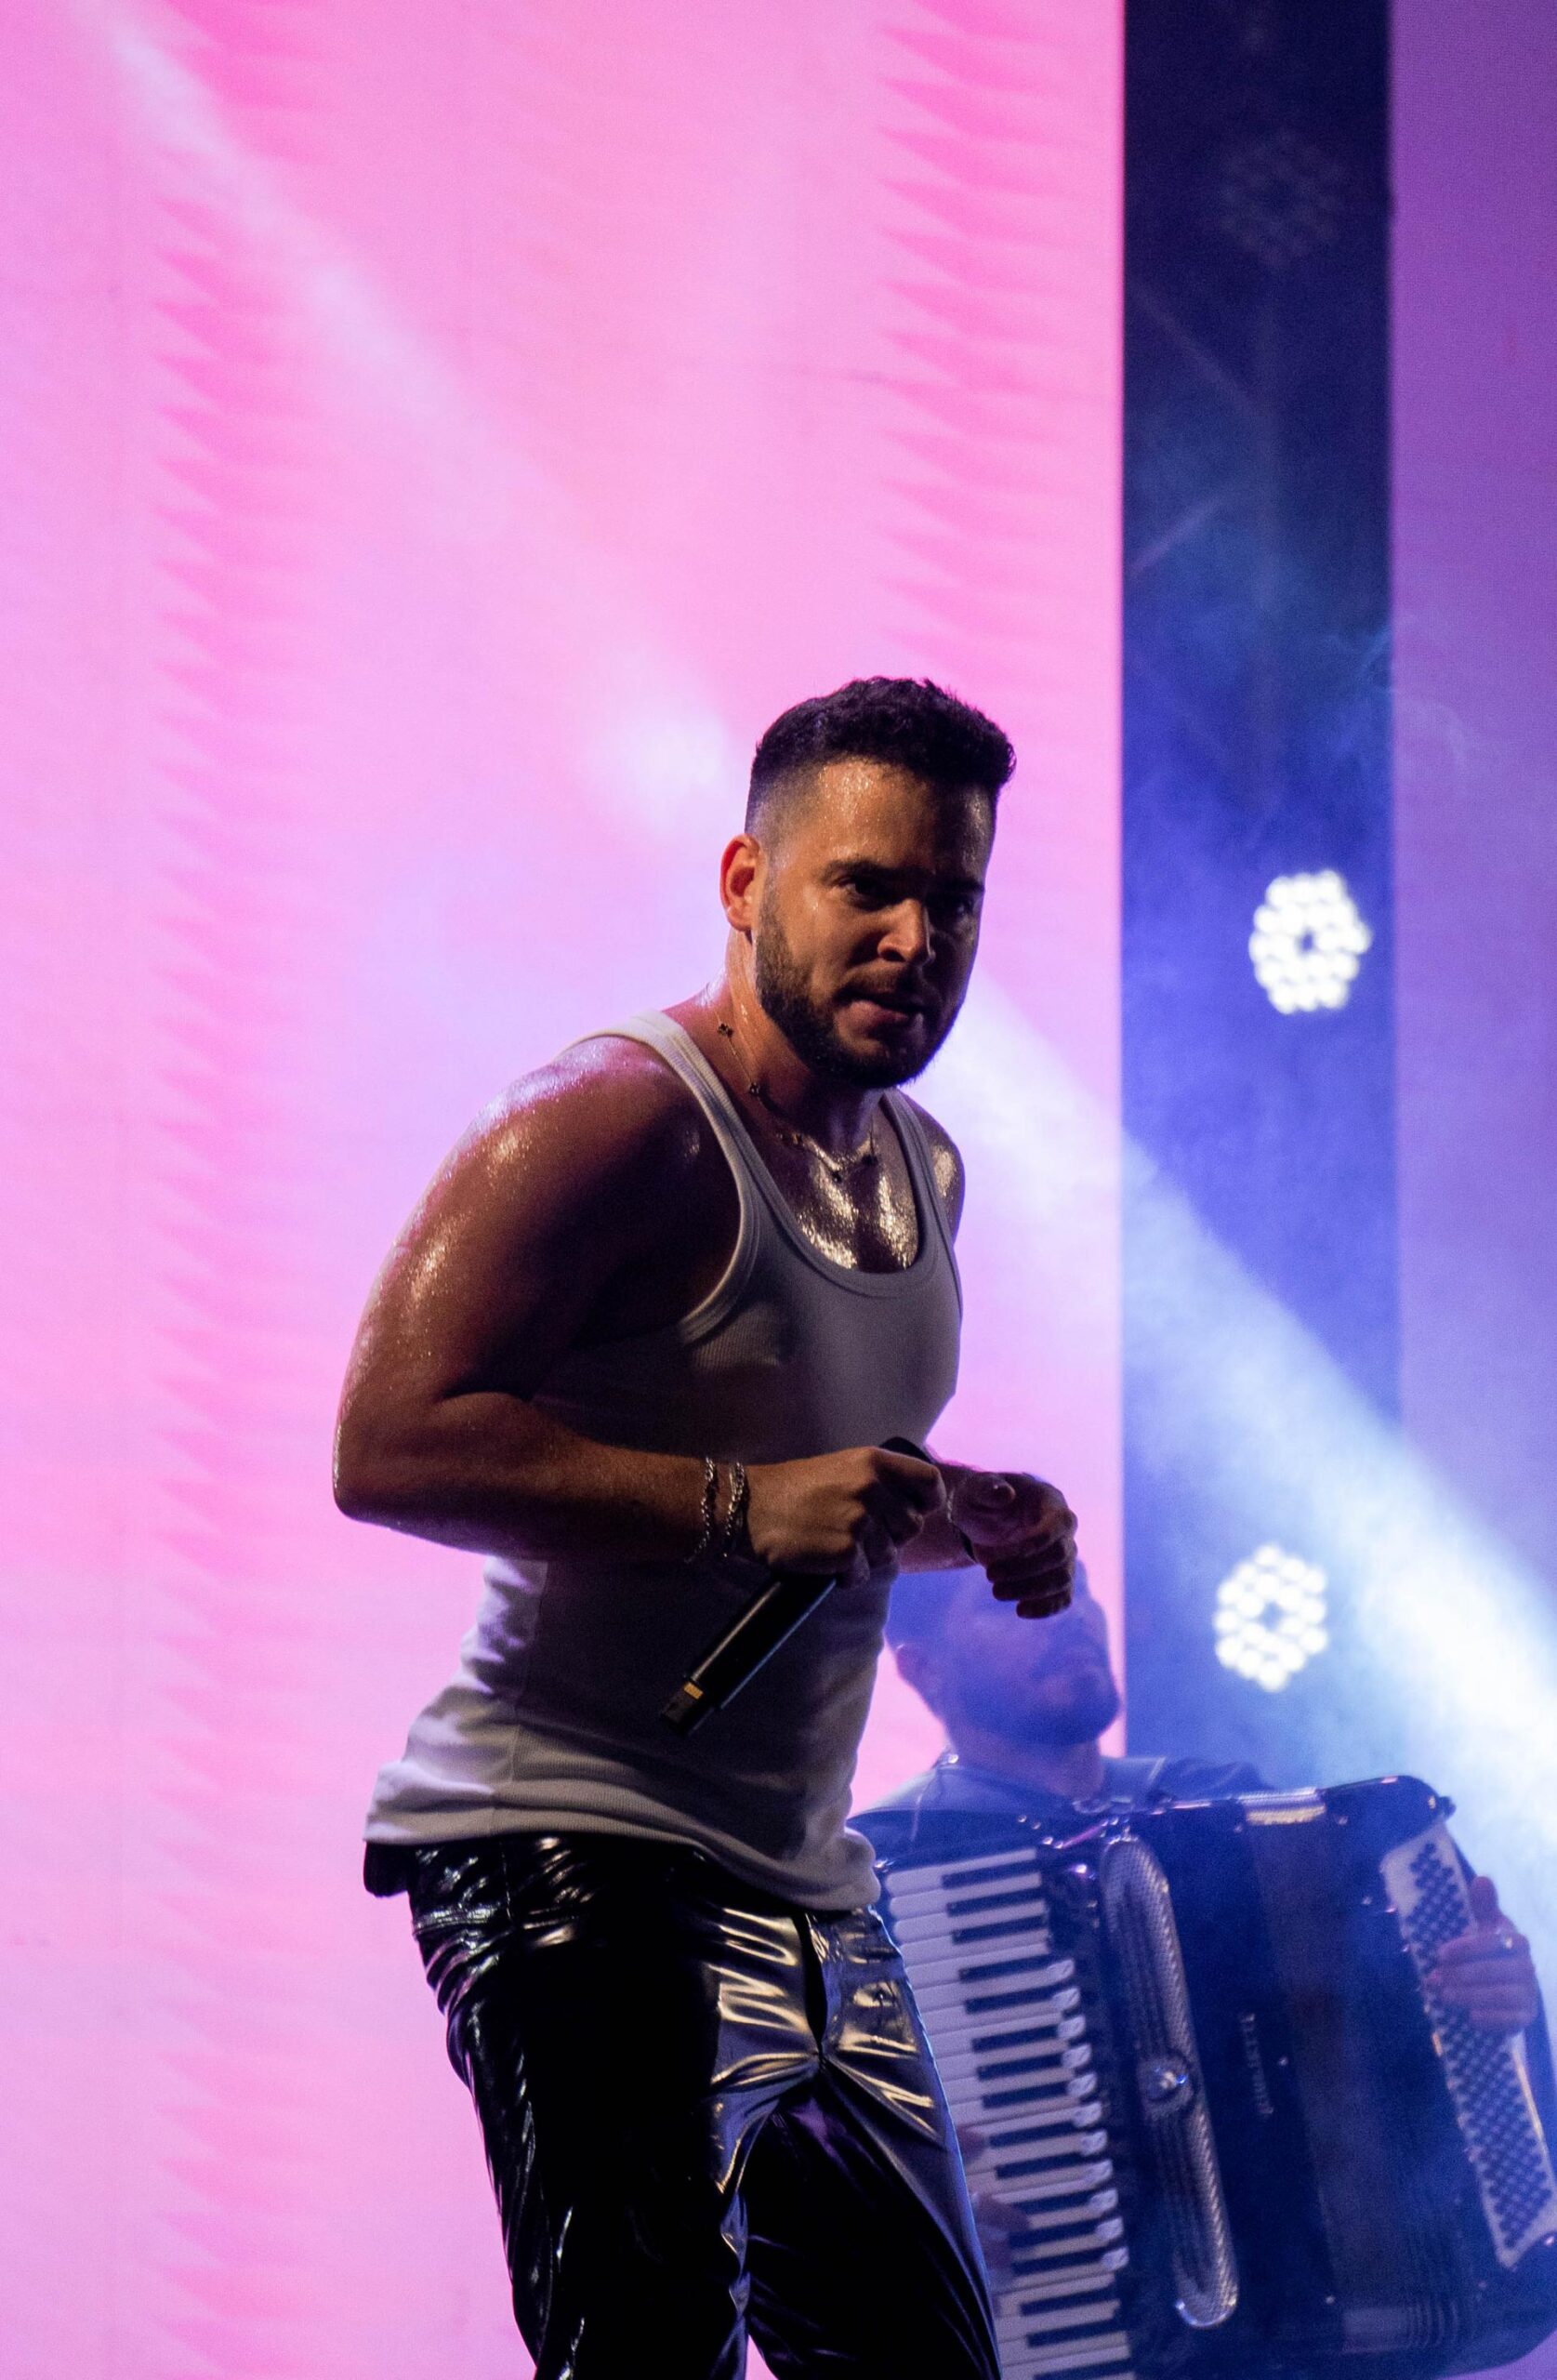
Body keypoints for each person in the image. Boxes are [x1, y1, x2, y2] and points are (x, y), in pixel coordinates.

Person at [334, 677, 1081, 2380]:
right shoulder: (612, 1119)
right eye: (864, 887)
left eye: (952, 900)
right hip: (571, 1839)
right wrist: (743, 1508)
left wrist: (974, 1518)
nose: (913, 941)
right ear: (748, 883)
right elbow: (387, 1444)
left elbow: (826, 1491)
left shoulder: (923, 1170)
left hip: (805, 1882)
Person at [858, 1561, 1547, 2268]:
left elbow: (1402, 2045)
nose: (1065, 1611)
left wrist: (1487, 1995)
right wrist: (897, 2218)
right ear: (922, 1669)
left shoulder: (1230, 1806)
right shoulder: (879, 1874)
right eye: (1007, 1599)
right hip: (1055, 2295)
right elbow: (823, 2158)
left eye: (1073, 1583)